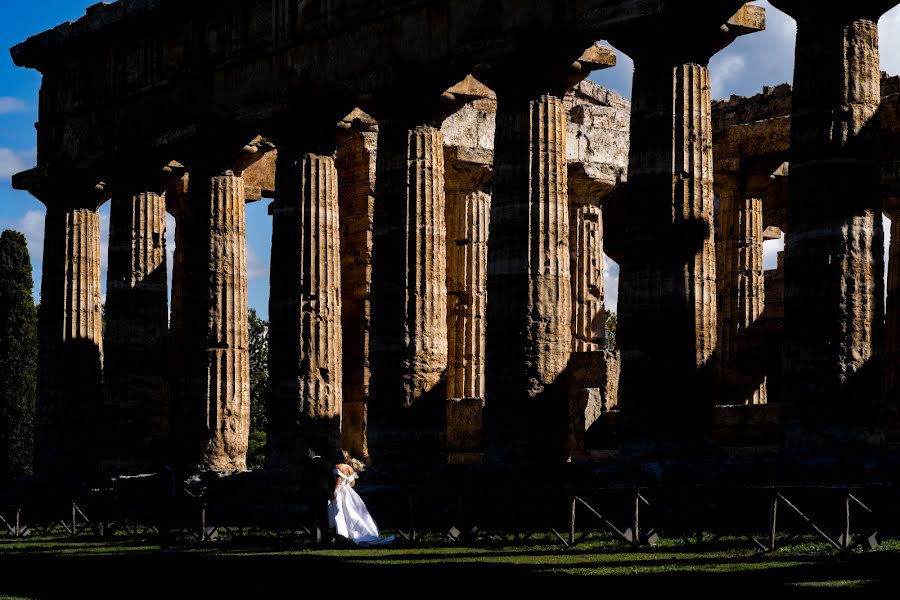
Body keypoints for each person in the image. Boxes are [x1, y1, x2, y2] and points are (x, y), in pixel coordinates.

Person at [328, 451, 394, 546]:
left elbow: (338, 480)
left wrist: (335, 491)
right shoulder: (350, 468)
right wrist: (346, 486)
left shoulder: (338, 466)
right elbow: (352, 483)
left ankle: (342, 536)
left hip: (340, 492)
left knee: (339, 513)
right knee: (352, 512)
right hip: (349, 492)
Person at [305, 447, 336, 546]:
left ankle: (313, 539)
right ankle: (325, 539)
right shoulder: (327, 464)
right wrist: (331, 493)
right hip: (324, 493)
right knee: (323, 516)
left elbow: (304, 481)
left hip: (311, 493)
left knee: (313, 517)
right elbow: (332, 480)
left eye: (308, 452)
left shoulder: (308, 464)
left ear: (312, 451)